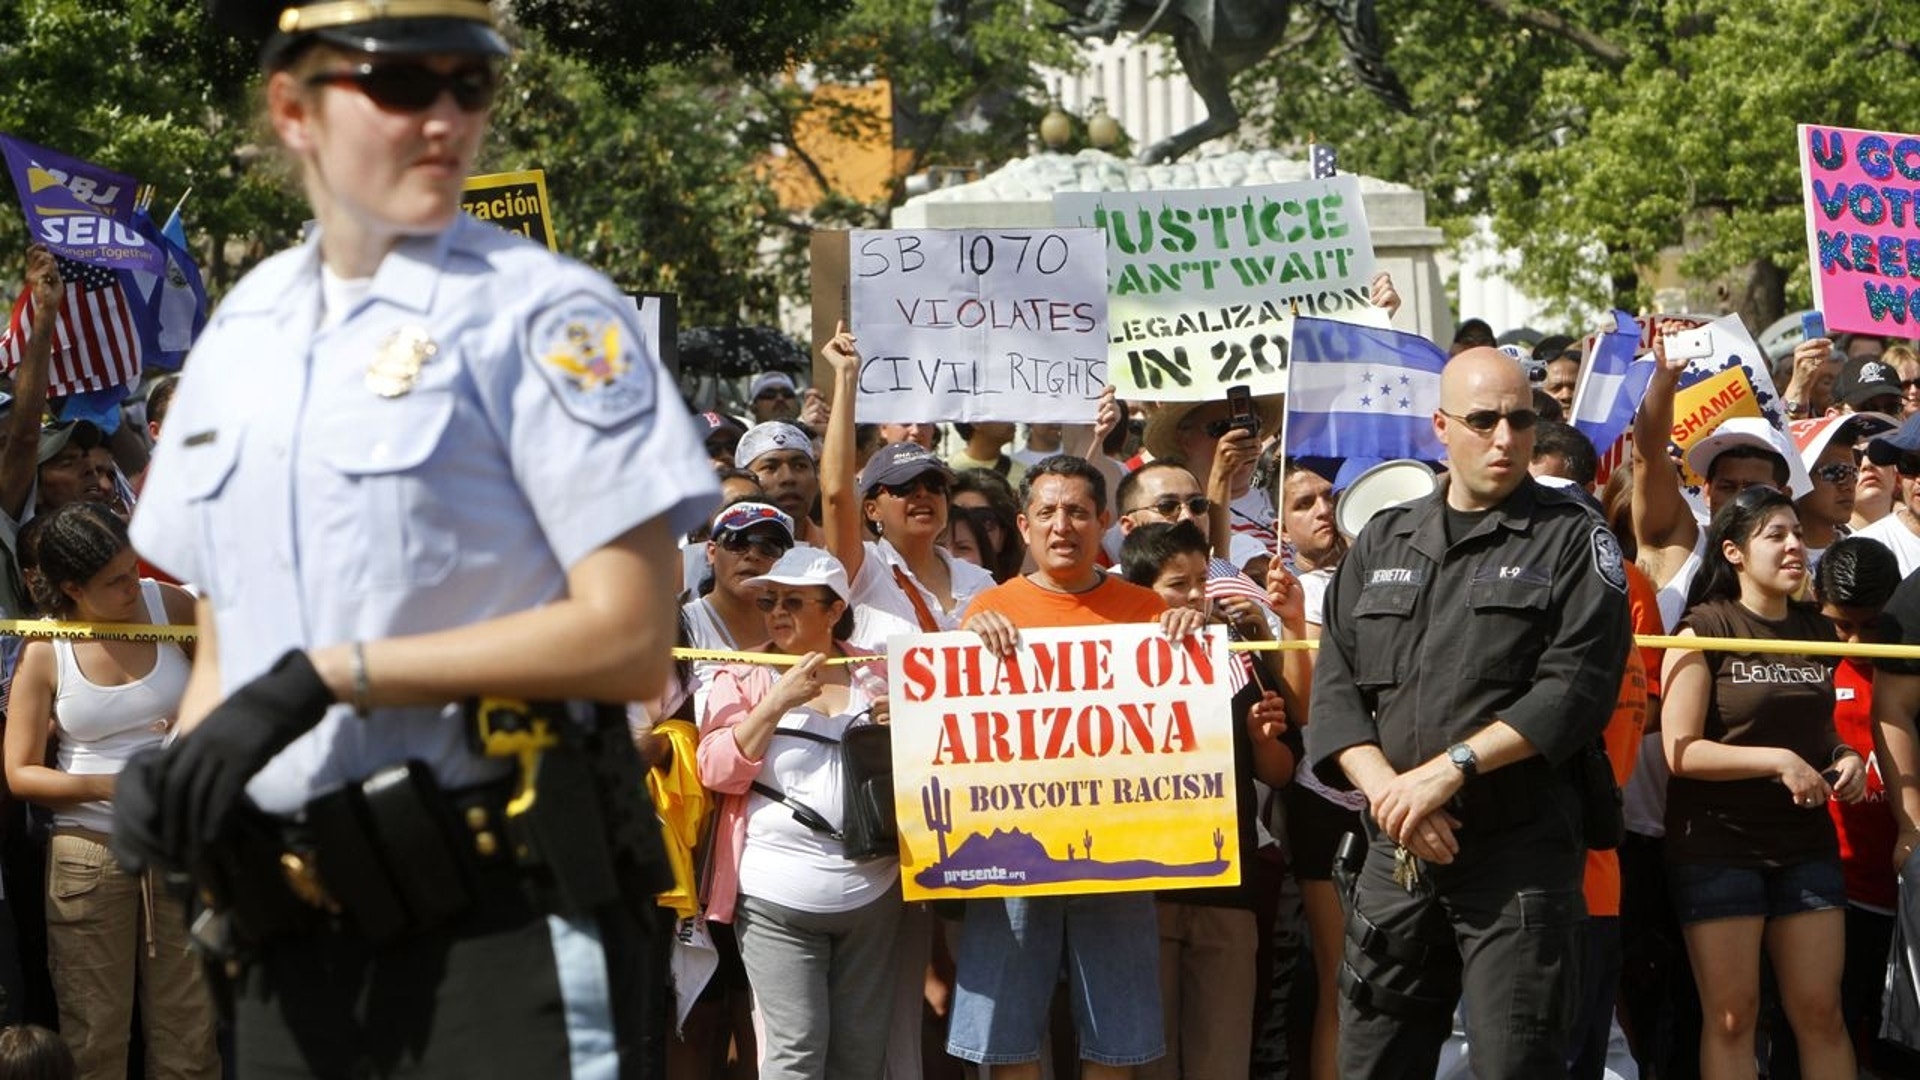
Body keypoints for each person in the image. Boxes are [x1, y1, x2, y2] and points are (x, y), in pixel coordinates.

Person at [112, 3, 719, 1075]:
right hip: (282, 932)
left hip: (503, 921)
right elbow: (225, 650)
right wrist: (181, 780)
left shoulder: (548, 316)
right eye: (401, 87)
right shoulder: (237, 338)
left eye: (470, 86)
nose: (445, 118)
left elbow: (628, 635)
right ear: (294, 107)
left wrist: (334, 677)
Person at [1307, 347, 1632, 1079]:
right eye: (1483, 421)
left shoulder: (1575, 538)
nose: (1505, 439)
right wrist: (1396, 794)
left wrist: (1448, 773)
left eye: (1521, 419)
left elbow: (1574, 688)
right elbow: (1335, 693)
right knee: (1373, 1060)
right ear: (1440, 427)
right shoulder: (1385, 539)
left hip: (1517, 852)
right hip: (1397, 849)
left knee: (1517, 1062)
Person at [947, 455, 1206, 1078]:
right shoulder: (986, 608)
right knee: (1007, 1043)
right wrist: (966, 640)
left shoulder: (1149, 613)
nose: (1062, 525)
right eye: (1047, 512)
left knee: (1116, 1041)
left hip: (1118, 852)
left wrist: (1188, 634)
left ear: (1106, 523)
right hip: (1013, 851)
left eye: (1078, 512)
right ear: (1024, 525)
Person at [1, 502, 217, 1080]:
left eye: (132, 569)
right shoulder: (45, 649)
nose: (133, 586)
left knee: (190, 1034)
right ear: (72, 589)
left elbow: (226, 677)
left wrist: (194, 731)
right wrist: (117, 786)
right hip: (88, 854)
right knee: (93, 1036)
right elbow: (21, 773)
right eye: (115, 581)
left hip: (178, 844)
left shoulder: (169, 606)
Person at [1660, 486, 1863, 1080]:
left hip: (1805, 847)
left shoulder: (1816, 631)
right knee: (1732, 1017)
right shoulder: (1703, 628)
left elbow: (1822, 729)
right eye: (1776, 535)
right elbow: (1680, 750)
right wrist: (1777, 760)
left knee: (1822, 1013)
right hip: (1718, 848)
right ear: (1734, 553)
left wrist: (1844, 756)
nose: (1795, 545)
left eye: (1798, 533)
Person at [696, 546, 898, 1079]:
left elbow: (936, 762)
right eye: (769, 601)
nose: (776, 612)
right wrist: (773, 703)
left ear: (834, 612)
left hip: (872, 894)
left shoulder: (881, 674)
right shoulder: (740, 676)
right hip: (774, 898)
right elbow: (715, 770)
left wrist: (907, 722)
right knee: (795, 1054)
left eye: (793, 601)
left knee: (861, 1055)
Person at [1120, 520, 1300, 1080]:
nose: (1197, 595)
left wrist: (1259, 739)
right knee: (1148, 1058)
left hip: (1229, 887)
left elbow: (1280, 769)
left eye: (1202, 579)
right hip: (1141, 892)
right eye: (1179, 584)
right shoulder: (1107, 662)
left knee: (1220, 1057)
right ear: (1141, 589)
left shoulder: (1239, 655)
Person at [1808, 537, 1918, 1073]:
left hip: (1906, 891)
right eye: (1838, 625)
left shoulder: (1909, 668)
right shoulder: (1808, 667)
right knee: (1844, 1026)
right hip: (1841, 893)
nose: (1852, 640)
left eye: (1870, 625)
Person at [737, 420, 825, 544]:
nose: (788, 478)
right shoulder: (726, 552)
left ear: (816, 480)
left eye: (800, 466)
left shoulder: (838, 549)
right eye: (770, 467)